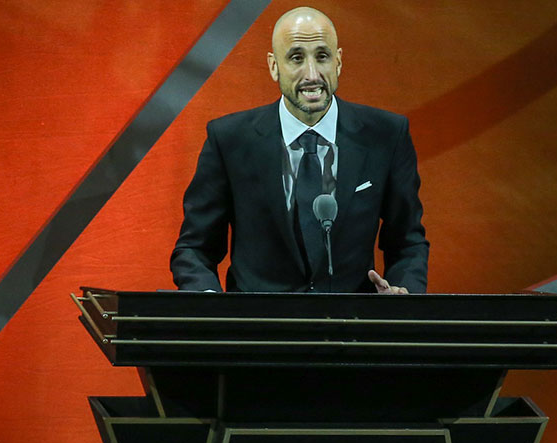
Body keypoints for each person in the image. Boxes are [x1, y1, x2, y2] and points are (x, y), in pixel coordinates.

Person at [171, 7, 428, 294]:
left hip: (351, 330)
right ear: (273, 65)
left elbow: (408, 242)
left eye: (322, 56)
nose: (312, 74)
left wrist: (403, 295)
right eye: (296, 58)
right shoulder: (229, 139)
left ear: (338, 61)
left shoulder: (386, 135)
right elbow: (194, 249)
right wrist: (210, 307)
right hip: (257, 332)